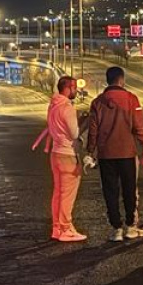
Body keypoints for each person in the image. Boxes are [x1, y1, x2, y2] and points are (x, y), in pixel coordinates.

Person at [87, 66, 143, 242]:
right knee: (129, 190)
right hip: (126, 153)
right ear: (121, 80)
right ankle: (130, 226)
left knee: (110, 191)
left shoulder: (97, 102)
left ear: (108, 81)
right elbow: (138, 126)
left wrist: (90, 151)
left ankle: (116, 228)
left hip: (106, 154)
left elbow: (93, 130)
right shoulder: (131, 99)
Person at [48, 76, 87, 242]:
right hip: (67, 154)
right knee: (67, 195)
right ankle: (65, 228)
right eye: (74, 88)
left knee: (58, 193)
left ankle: (57, 227)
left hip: (55, 152)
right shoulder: (67, 107)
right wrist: (82, 122)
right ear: (68, 88)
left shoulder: (53, 105)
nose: (76, 91)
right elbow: (74, 133)